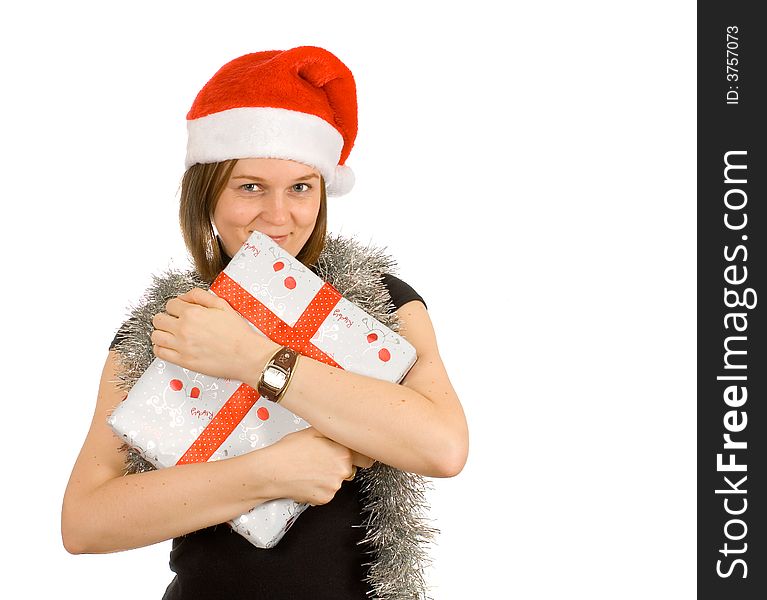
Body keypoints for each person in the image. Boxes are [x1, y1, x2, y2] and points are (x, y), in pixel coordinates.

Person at [61, 46, 468, 599]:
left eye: (301, 187)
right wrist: (268, 474)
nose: (279, 218)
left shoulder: (379, 301)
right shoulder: (166, 325)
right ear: (207, 194)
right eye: (250, 186)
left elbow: (442, 448)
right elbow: (84, 523)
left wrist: (252, 359)